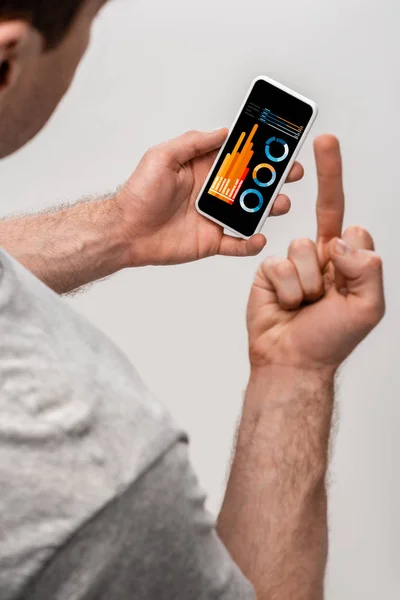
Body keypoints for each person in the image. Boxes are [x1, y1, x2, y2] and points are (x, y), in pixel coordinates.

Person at [0, 1, 385, 599]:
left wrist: (120, 230)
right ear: (8, 60)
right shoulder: (84, 466)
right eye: (94, 18)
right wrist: (294, 372)